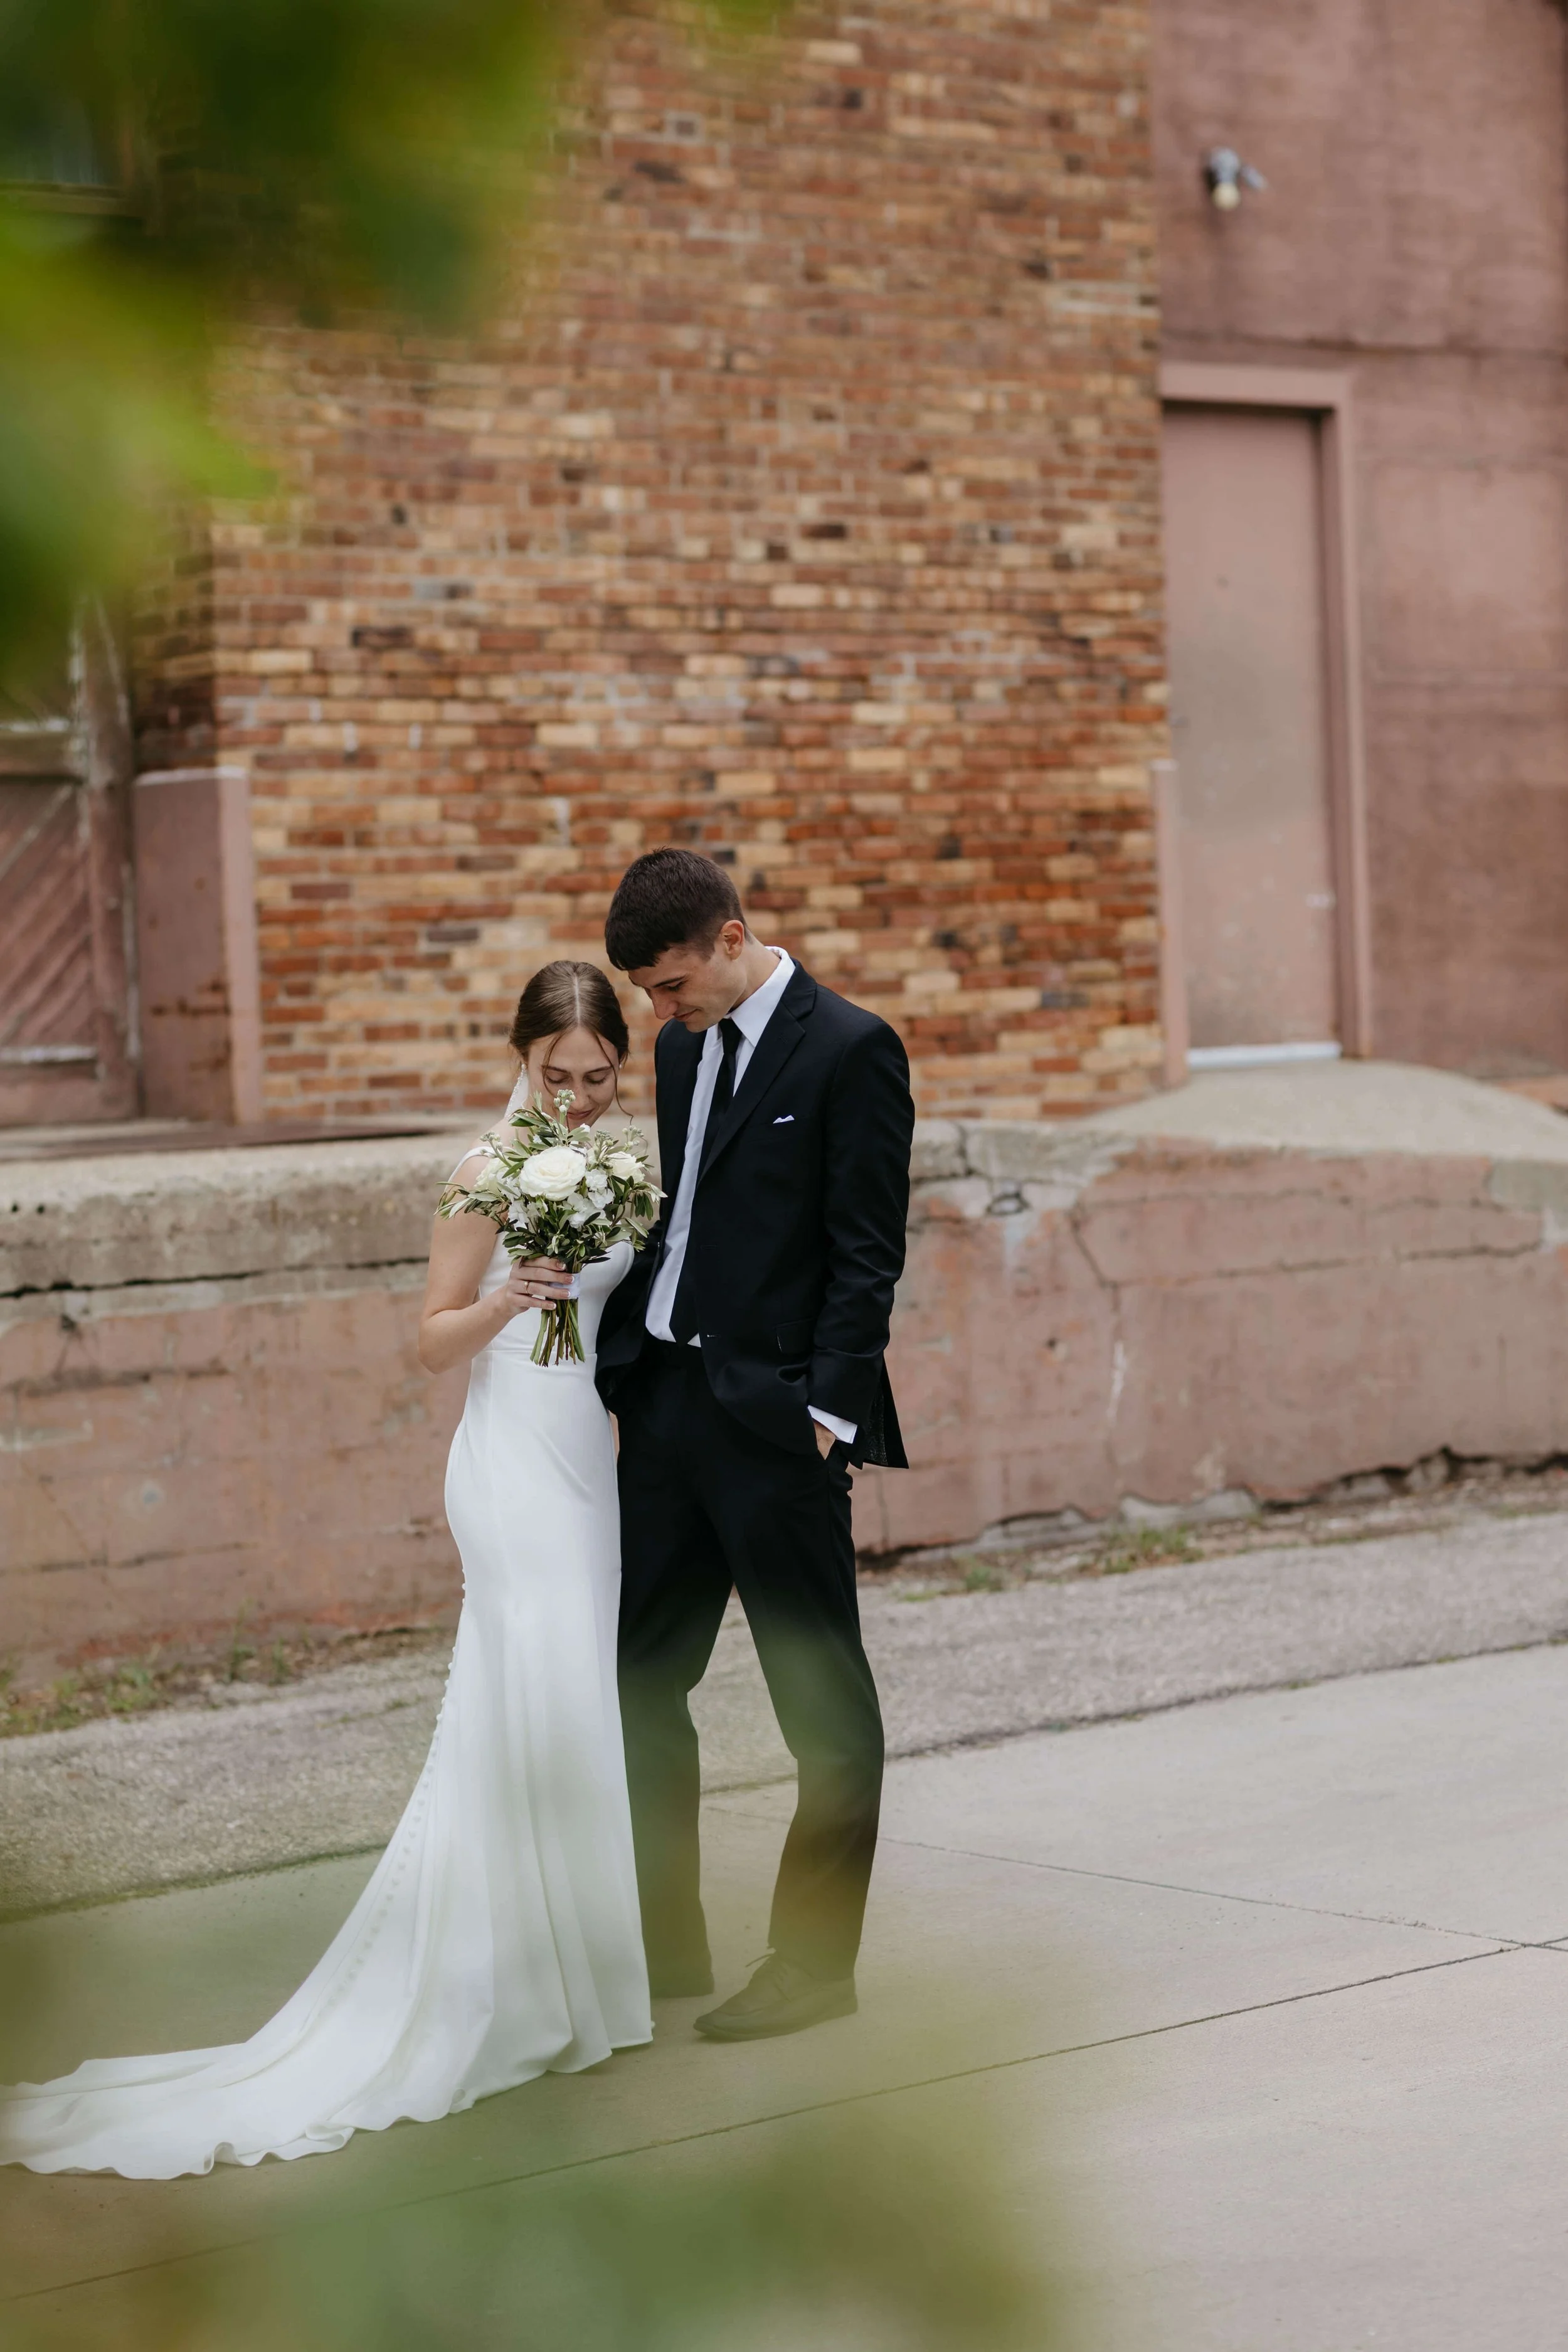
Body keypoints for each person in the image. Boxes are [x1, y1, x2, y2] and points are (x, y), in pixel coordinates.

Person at [0, 963, 650, 2177]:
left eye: (596, 1079)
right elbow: (424, 1344)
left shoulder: (622, 1170)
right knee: (519, 1696)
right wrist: (513, 1296)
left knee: (573, 1706)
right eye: (553, 1077)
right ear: (519, 1060)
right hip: (507, 1462)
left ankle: (584, 1991)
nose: (573, 1101)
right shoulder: (481, 1174)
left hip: (586, 1464)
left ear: (623, 1065)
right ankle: (500, 1991)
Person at [597, 849, 914, 2042]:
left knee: (823, 1708)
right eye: (645, 990)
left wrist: (825, 1417)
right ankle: (663, 1940)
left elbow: (865, 1251)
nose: (656, 1013)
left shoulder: (852, 1050)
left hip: (780, 1429)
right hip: (670, 1408)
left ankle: (815, 1963)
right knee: (637, 1682)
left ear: (732, 938)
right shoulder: (684, 1047)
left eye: (670, 983)